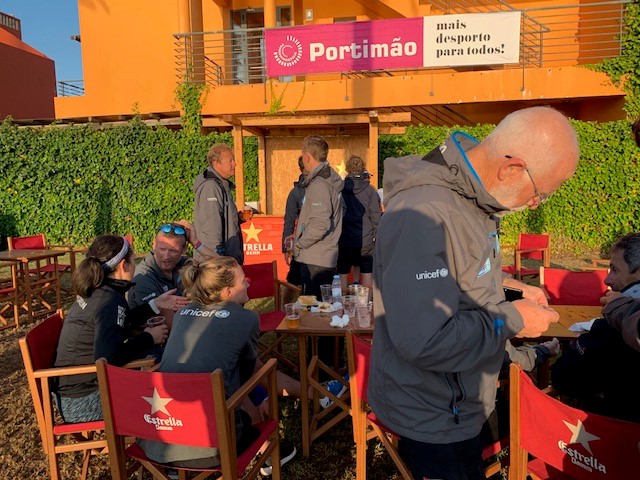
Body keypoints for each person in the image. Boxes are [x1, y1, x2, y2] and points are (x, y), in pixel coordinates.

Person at [369, 106, 579, 480]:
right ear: (511, 169)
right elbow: (425, 340)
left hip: (460, 400)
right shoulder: (424, 213)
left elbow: (459, 279)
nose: (536, 203)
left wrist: (512, 292)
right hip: (432, 413)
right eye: (541, 193)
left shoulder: (472, 198)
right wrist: (513, 319)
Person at [138, 256, 297, 474]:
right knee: (237, 388)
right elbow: (247, 376)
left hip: (158, 441)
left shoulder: (182, 313)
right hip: (214, 446)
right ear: (228, 292)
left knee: (220, 383)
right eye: (243, 280)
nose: (248, 283)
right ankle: (268, 451)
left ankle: (177, 470)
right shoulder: (247, 318)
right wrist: (263, 397)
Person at [53, 235, 182, 423]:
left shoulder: (99, 289)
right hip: (83, 401)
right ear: (123, 265)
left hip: (74, 390)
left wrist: (154, 304)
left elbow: (119, 324)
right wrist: (148, 337)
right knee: (159, 357)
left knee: (153, 354)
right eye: (133, 260)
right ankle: (171, 422)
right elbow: (109, 359)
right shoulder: (108, 302)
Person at [552, 233, 640, 422]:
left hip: (606, 432)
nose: (607, 280)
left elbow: (562, 376)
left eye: (615, 269)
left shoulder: (609, 332)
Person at [293, 135, 344, 297]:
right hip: (324, 256)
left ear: (307, 157)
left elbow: (320, 224)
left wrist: (299, 243)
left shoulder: (319, 184)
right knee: (323, 308)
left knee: (313, 309)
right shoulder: (329, 179)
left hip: (316, 260)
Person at [127, 221, 198, 327]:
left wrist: (196, 243)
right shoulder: (143, 278)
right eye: (162, 249)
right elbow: (172, 325)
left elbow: (219, 274)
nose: (166, 256)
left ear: (184, 249)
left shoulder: (184, 263)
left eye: (173, 251)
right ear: (154, 244)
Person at [193, 143, 249, 265]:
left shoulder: (220, 185)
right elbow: (211, 227)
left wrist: (237, 219)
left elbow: (219, 219)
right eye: (230, 161)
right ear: (216, 163)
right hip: (216, 263)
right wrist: (218, 263)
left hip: (224, 261)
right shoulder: (211, 187)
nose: (235, 164)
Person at [337, 155, 381, 288]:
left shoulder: (339, 189)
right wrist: (377, 236)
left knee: (342, 273)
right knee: (367, 272)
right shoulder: (370, 190)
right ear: (363, 169)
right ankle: (365, 301)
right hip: (365, 239)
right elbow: (376, 216)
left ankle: (342, 300)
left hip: (344, 238)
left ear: (347, 169)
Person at [281, 156, 306, 304]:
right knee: (292, 281)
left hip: (320, 246)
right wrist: (285, 248)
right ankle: (284, 311)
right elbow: (289, 221)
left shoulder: (324, 188)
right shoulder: (295, 193)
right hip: (300, 247)